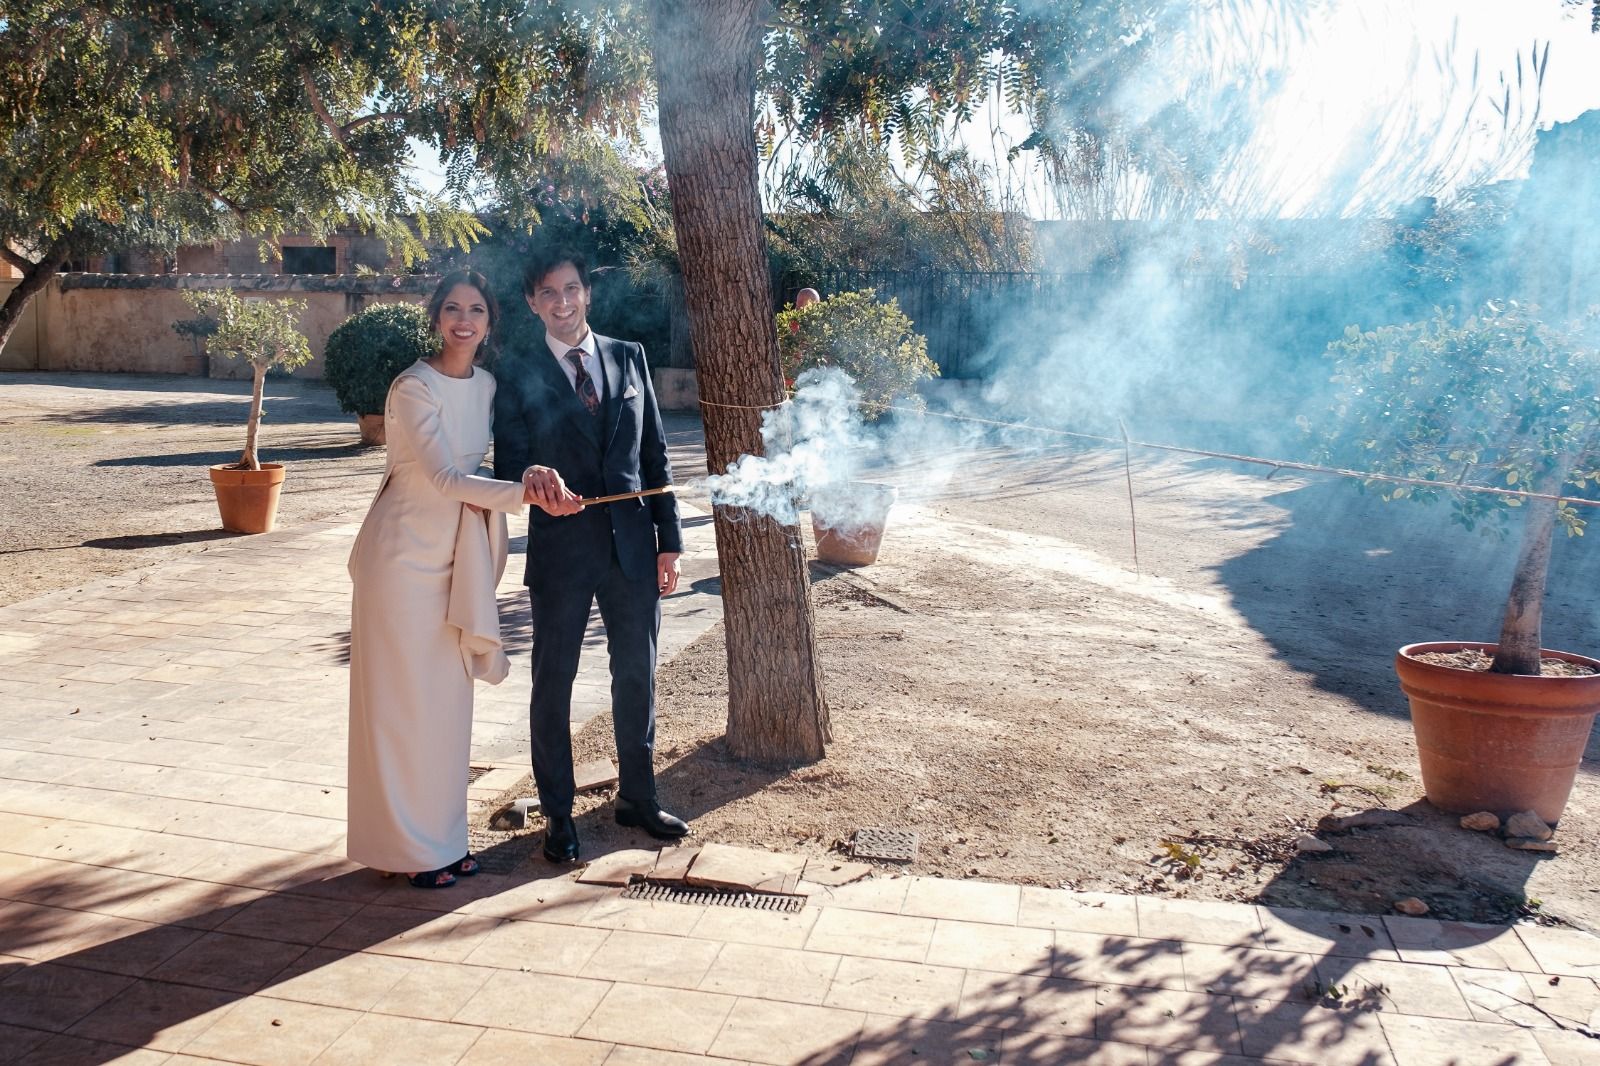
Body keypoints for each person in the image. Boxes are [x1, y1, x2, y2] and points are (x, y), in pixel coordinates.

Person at [493, 249, 686, 864]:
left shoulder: (630, 357)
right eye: (548, 293)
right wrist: (533, 476)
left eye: (571, 289)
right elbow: (508, 464)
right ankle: (558, 816)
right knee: (554, 684)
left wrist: (670, 542)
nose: (563, 301)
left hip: (633, 548)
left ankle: (638, 796)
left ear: (587, 294)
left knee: (637, 676)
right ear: (532, 302)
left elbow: (654, 455)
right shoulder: (517, 372)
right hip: (562, 552)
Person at [346, 269, 534, 889]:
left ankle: (445, 841)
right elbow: (445, 477)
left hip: (458, 556)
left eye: (476, 309)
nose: (463, 319)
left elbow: (489, 463)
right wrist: (524, 496)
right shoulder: (411, 386)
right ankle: (407, 849)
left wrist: (533, 479)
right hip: (401, 559)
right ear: (435, 316)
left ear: (489, 321)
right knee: (403, 707)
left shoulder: (487, 385)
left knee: (449, 706)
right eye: (452, 307)